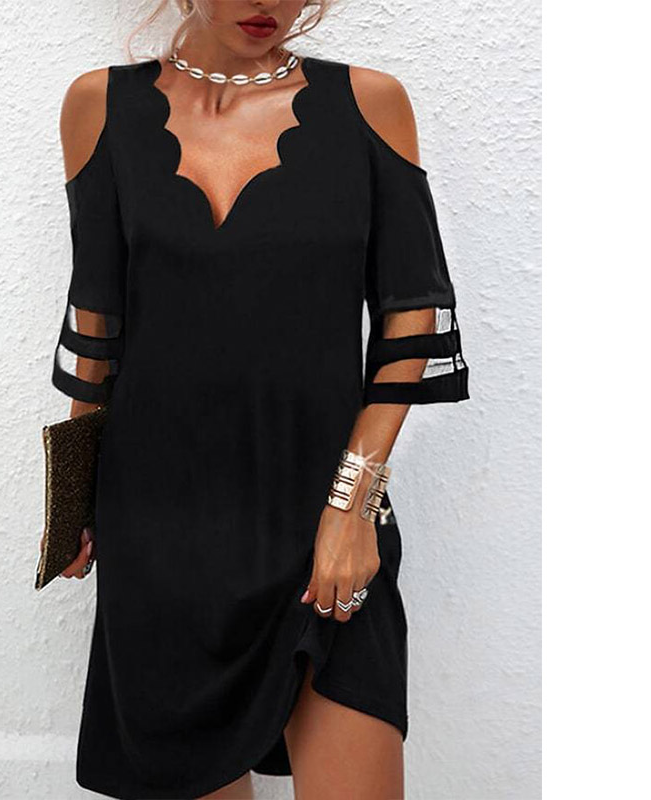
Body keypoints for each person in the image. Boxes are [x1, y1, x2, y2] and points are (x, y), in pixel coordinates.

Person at [46, 1, 469, 797]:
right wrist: (71, 496)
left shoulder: (368, 104)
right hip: (159, 529)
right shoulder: (99, 107)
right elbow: (98, 323)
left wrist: (353, 504)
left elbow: (411, 319)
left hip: (322, 519)